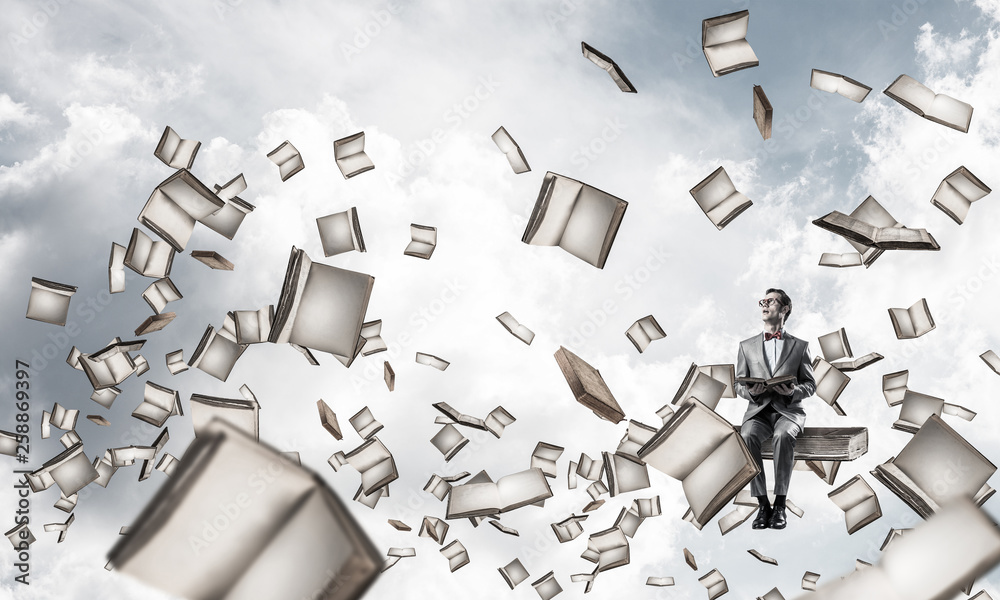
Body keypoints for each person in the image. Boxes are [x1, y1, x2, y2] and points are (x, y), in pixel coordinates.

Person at [734, 288, 816, 530]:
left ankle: (779, 504)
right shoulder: (745, 346)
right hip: (758, 412)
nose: (764, 304)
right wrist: (751, 392)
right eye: (762, 301)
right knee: (746, 435)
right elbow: (738, 383)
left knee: (782, 435)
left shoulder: (800, 346)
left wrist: (792, 392)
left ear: (784, 308)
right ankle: (762, 505)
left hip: (788, 412)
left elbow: (810, 386)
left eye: (770, 301)